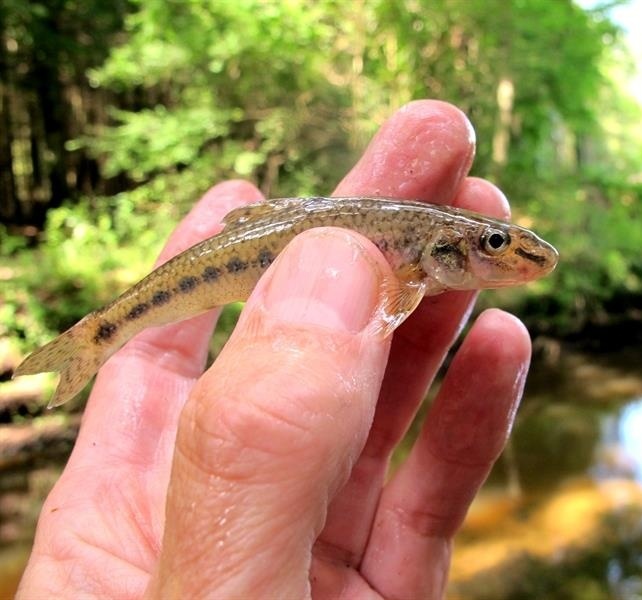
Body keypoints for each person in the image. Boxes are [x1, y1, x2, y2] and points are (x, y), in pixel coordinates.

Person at [17, 100, 533, 598]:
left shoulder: (425, 240)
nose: (505, 255)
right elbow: (398, 298)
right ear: (445, 245)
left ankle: (101, 333)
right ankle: (100, 334)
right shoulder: (419, 241)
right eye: (493, 243)